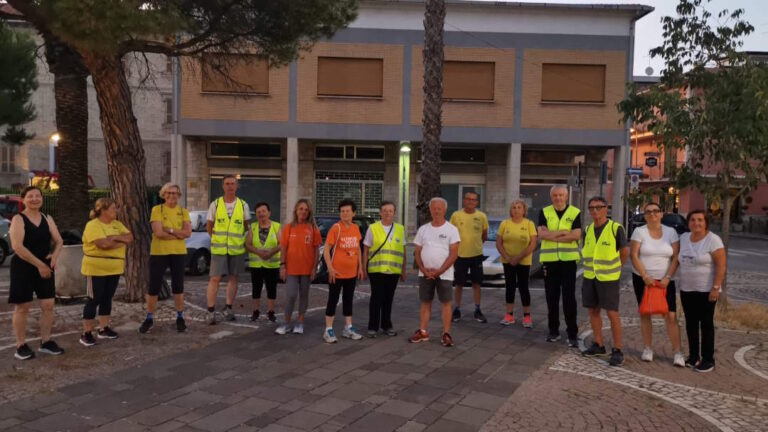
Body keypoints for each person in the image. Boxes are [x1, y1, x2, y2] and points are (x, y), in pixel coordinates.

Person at [8, 186, 65, 360]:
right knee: (22, 307)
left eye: (38, 196)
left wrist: (54, 257)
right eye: (30, 196)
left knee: (48, 305)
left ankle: (46, 342)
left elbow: (59, 241)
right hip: (23, 266)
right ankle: (21, 345)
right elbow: (18, 247)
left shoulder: (47, 218)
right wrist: (40, 265)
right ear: (23, 200)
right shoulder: (18, 219)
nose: (34, 199)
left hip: (45, 267)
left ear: (42, 199)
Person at [630, 202, 685, 367]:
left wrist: (668, 276)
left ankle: (678, 352)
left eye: (656, 211)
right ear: (645, 215)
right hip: (643, 279)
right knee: (645, 313)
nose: (652, 214)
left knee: (670, 315)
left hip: (665, 280)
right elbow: (634, 255)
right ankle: (647, 348)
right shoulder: (639, 231)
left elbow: (676, 256)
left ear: (661, 214)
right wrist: (645, 275)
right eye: (648, 212)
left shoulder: (671, 232)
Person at [580, 197, 629, 366]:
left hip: (608, 278)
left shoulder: (615, 228)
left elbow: (624, 252)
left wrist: (617, 268)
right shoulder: (587, 230)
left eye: (598, 207)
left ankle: (617, 349)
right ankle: (599, 344)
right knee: (593, 311)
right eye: (591, 208)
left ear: (605, 208)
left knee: (612, 313)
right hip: (590, 276)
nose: (594, 211)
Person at [677, 210, 726, 373]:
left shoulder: (713, 240)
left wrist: (716, 287)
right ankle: (693, 356)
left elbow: (721, 265)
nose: (696, 223)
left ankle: (708, 359)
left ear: (706, 222)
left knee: (706, 325)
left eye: (700, 220)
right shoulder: (683, 238)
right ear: (688, 222)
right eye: (693, 220)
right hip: (687, 289)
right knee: (690, 324)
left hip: (706, 290)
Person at [80, 198, 133, 346]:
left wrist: (115, 237)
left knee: (107, 298)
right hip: (96, 268)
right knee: (93, 299)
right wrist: (119, 241)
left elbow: (130, 238)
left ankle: (104, 328)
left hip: (114, 268)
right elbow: (103, 244)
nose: (116, 210)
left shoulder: (117, 224)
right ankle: (86, 333)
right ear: (102, 210)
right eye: (113, 208)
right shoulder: (93, 225)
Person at [140, 183, 191, 334]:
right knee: (153, 287)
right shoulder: (157, 209)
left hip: (178, 253)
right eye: (168, 193)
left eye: (175, 193)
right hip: (159, 253)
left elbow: (188, 233)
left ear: (179, 195)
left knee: (178, 286)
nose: (171, 196)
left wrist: (168, 229)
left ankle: (180, 317)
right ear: (163, 194)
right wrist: (177, 233)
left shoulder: (183, 211)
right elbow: (158, 233)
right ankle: (149, 318)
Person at [409, 197, 461, 347]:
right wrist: (424, 270)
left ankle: (446, 333)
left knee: (446, 303)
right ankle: (423, 331)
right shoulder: (423, 229)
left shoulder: (452, 230)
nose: (436, 211)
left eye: (439, 208)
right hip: (425, 274)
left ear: (445, 210)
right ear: (430, 210)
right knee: (425, 302)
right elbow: (417, 253)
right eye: (434, 208)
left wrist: (440, 271)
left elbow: (454, 254)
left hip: (444, 274)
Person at [538, 185, 582, 347]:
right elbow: (541, 235)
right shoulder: (544, 212)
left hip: (568, 261)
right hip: (549, 262)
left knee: (569, 298)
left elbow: (576, 235)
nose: (558, 198)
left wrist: (552, 235)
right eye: (555, 195)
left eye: (561, 195)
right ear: (551, 197)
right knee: (552, 297)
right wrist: (564, 233)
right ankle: (553, 331)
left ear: (566, 196)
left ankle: (572, 334)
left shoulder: (575, 212)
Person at [206, 175, 251, 324]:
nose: (230, 186)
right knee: (215, 279)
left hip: (236, 249)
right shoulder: (215, 204)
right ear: (223, 186)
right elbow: (209, 226)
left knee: (233, 278)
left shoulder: (243, 205)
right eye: (227, 183)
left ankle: (228, 308)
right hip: (219, 249)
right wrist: (218, 239)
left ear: (237, 186)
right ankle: (210, 311)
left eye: (233, 183)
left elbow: (246, 225)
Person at [275, 199, 321, 335]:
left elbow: (316, 250)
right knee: (291, 295)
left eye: (306, 210)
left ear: (309, 212)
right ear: (296, 210)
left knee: (304, 295)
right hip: (291, 269)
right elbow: (283, 248)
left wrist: (314, 268)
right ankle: (287, 322)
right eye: (301, 209)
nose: (303, 212)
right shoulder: (289, 227)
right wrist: (282, 266)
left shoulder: (313, 228)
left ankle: (300, 322)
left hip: (307, 270)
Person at [322, 199, 364, 343]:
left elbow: (358, 248)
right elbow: (326, 249)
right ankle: (328, 330)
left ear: (353, 213)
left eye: (347, 211)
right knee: (332, 300)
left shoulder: (355, 228)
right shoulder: (336, 228)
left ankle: (348, 327)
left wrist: (360, 267)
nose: (344, 213)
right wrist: (330, 268)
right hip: (337, 273)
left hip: (351, 273)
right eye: (342, 211)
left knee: (348, 299)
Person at [363, 201, 406, 338]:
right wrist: (363, 268)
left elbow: (403, 250)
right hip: (377, 269)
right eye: (385, 210)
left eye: (390, 210)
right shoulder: (373, 228)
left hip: (393, 271)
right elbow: (366, 249)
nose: (387, 213)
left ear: (394, 213)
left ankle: (387, 325)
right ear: (380, 212)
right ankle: (373, 327)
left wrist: (403, 270)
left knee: (389, 298)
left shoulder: (400, 228)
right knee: (376, 298)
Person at [496, 199, 537, 328]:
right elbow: (499, 243)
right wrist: (508, 258)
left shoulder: (529, 224)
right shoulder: (504, 224)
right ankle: (509, 315)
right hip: (507, 261)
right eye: (514, 207)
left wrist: (518, 258)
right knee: (510, 286)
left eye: (519, 207)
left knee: (524, 287)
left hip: (524, 261)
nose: (516, 209)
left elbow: (533, 244)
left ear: (524, 210)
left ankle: (527, 316)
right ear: (510, 210)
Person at [450, 191, 489, 323]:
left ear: (477, 202)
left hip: (476, 255)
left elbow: (484, 235)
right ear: (464, 200)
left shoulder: (482, 216)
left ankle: (477, 310)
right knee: (459, 284)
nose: (470, 202)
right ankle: (457, 309)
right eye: (468, 199)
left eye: (473, 200)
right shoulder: (456, 215)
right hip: (460, 256)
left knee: (476, 284)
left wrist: (474, 245)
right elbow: (451, 235)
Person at [245, 202, 281, 323]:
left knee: (271, 288)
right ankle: (255, 311)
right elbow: (248, 244)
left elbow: (281, 244)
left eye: (264, 211)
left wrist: (270, 253)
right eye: (259, 212)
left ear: (269, 213)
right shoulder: (253, 227)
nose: (261, 214)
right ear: (256, 215)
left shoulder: (276, 226)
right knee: (256, 288)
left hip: (272, 264)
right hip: (256, 265)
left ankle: (271, 312)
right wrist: (259, 253)